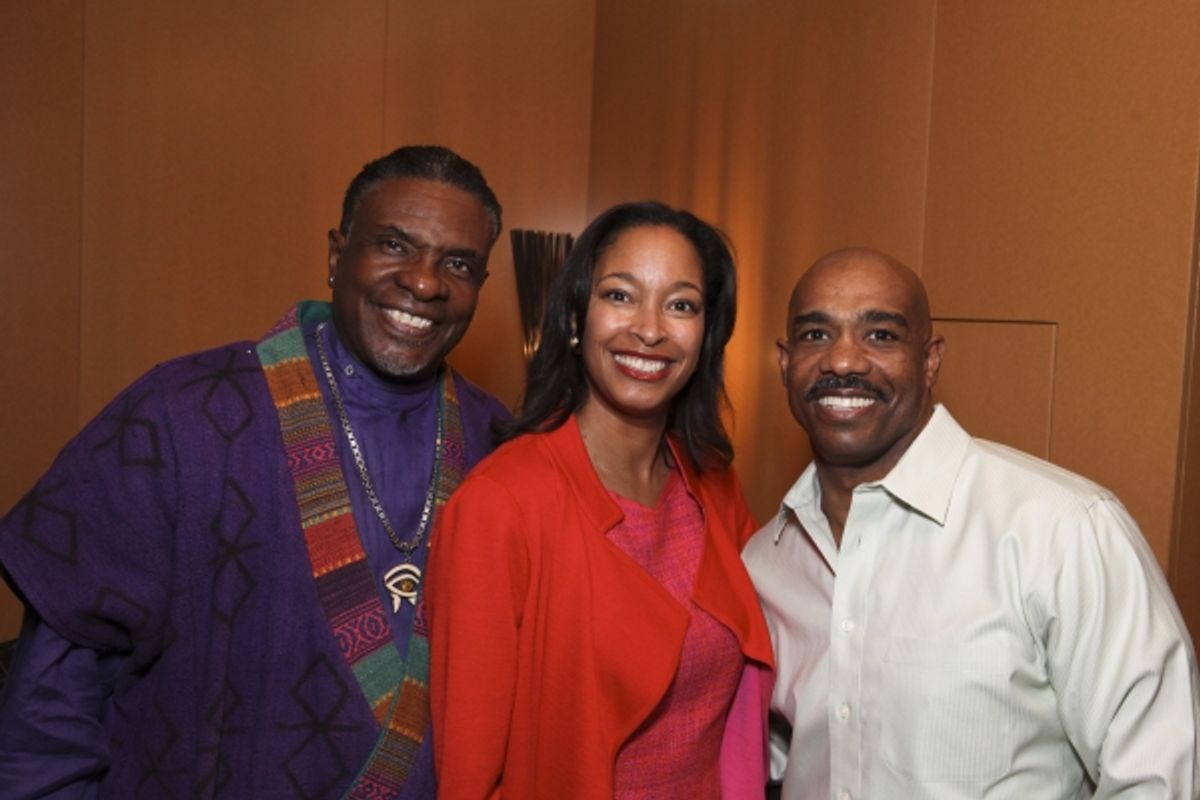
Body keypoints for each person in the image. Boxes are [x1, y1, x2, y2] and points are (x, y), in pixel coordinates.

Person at [0, 145, 511, 799]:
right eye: (393, 245)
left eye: (458, 263)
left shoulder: (499, 442)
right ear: (337, 255)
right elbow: (51, 706)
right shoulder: (182, 416)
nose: (425, 282)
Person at [743, 247, 1200, 799]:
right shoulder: (764, 562)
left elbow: (1157, 775)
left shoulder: (1061, 530)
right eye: (816, 334)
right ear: (784, 362)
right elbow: (766, 759)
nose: (842, 361)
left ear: (931, 360)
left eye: (881, 335)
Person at [427, 202, 773, 798]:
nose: (650, 329)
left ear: (706, 335)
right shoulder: (500, 506)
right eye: (620, 295)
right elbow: (469, 774)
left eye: (681, 305)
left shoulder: (716, 490)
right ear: (574, 317)